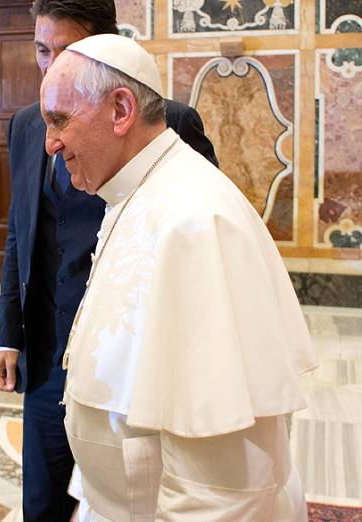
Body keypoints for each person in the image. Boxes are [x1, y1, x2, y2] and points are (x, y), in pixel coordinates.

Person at [45, 33, 316, 521]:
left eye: (59, 120)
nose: (50, 143)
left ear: (121, 109)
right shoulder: (133, 194)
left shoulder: (195, 221)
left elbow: (221, 485)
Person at [0, 1, 218, 520]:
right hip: (48, 358)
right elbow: (21, 234)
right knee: (41, 502)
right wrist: (9, 333)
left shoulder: (170, 122)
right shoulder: (27, 126)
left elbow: (195, 242)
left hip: (129, 364)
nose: (51, 67)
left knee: (123, 504)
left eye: (66, 51)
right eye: (42, 51)